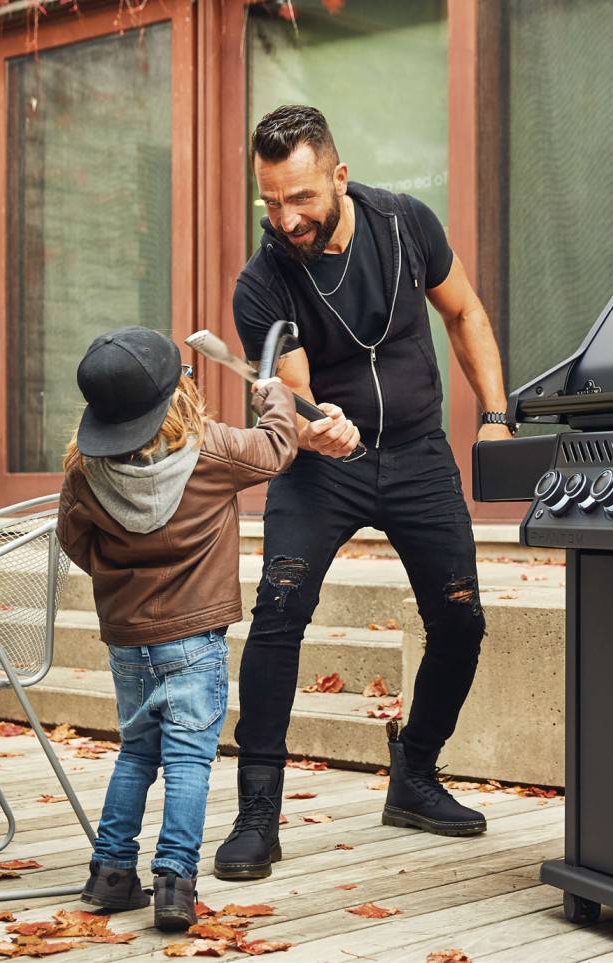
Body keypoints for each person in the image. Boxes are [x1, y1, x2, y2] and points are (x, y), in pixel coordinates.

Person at [214, 105, 515, 881]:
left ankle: (414, 773)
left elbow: (465, 312)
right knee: (278, 615)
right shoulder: (263, 280)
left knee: (460, 621)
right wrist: (317, 426)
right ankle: (257, 814)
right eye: (270, 201)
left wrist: (493, 416)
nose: (285, 218)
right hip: (325, 467)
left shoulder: (406, 224)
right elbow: (293, 390)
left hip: (418, 454)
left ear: (338, 177)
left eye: (301, 198)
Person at [56, 325, 296, 929]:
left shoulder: (85, 470)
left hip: (128, 640)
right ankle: (174, 885)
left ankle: (111, 875)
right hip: (195, 641)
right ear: (179, 393)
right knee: (189, 759)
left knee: (136, 753)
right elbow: (275, 450)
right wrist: (279, 399)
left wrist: (122, 575)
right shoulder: (210, 451)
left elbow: (75, 544)